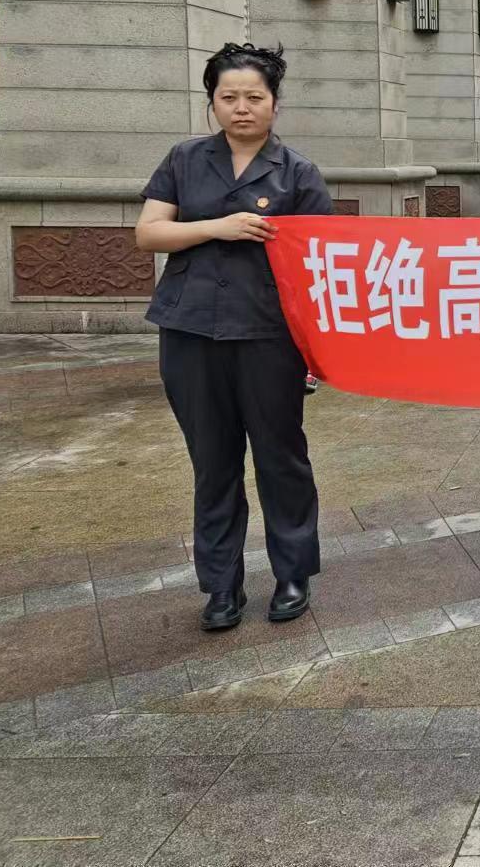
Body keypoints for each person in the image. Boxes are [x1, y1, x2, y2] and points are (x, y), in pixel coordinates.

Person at [135, 44, 332, 632]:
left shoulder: (298, 172)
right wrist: (217, 227)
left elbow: (318, 263)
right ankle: (221, 586)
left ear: (274, 104)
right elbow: (149, 233)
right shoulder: (184, 159)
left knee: (281, 456)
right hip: (190, 331)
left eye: (253, 97)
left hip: (269, 335)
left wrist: (317, 350)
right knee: (212, 462)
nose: (241, 108)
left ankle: (293, 574)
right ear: (212, 102)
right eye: (228, 97)